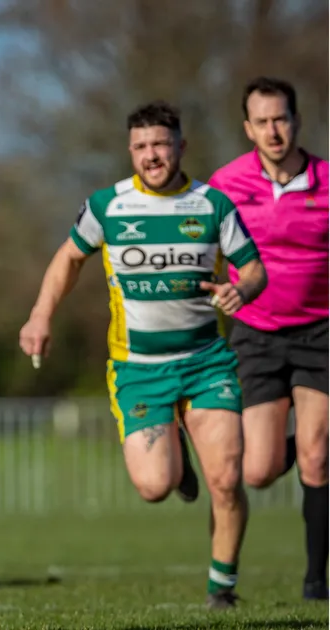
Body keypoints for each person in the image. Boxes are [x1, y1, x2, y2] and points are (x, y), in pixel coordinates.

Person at [18, 101, 268, 609]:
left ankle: (222, 587)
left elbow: (255, 269)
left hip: (205, 362)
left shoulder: (212, 204)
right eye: (141, 147)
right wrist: (41, 314)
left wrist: (242, 290)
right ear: (130, 151)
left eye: (160, 144)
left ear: (181, 146)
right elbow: (68, 257)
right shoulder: (108, 206)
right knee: (155, 486)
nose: (151, 155)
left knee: (226, 476)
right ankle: (174, 444)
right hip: (138, 370)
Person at [208, 77, 329, 601]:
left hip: (321, 331)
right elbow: (198, 244)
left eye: (281, 118)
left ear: (297, 121)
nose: (273, 130)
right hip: (255, 336)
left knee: (315, 456)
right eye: (262, 121)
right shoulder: (227, 183)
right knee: (255, 471)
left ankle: (316, 583)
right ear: (248, 128)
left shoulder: (326, 180)